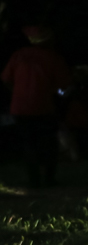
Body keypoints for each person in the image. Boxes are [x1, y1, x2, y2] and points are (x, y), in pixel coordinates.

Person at [1, 26, 73, 187]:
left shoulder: (19, 55)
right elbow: (64, 85)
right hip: (44, 107)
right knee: (48, 144)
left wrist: (18, 92)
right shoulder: (53, 57)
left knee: (29, 145)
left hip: (20, 107)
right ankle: (48, 179)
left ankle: (34, 180)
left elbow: (6, 79)